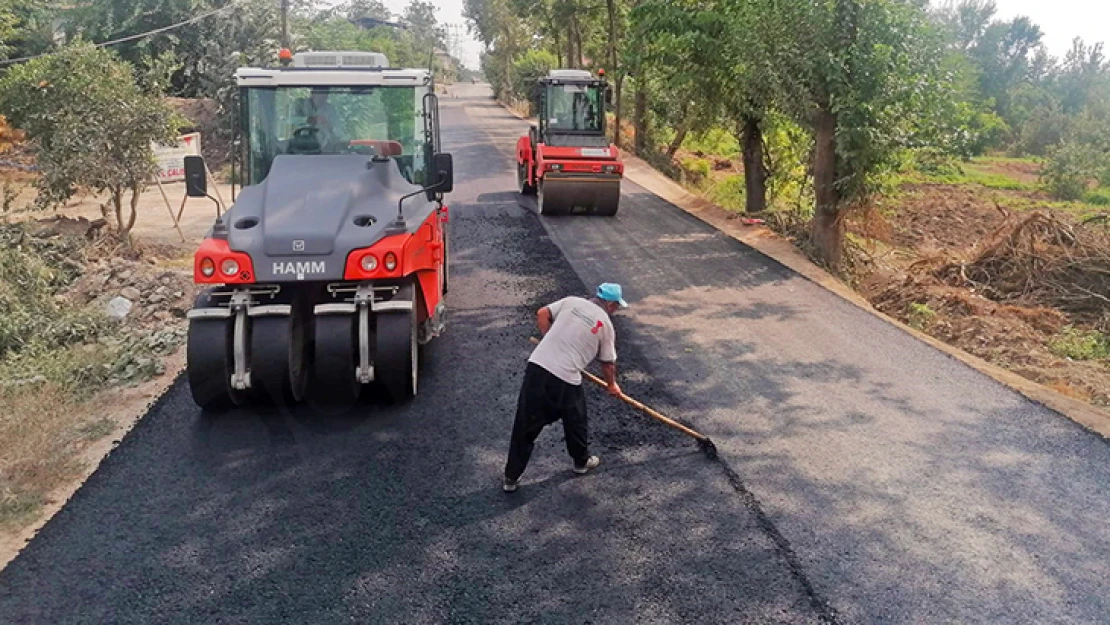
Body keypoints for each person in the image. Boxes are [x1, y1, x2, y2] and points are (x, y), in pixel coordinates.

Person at [503, 283, 628, 493]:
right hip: (566, 377)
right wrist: (612, 385)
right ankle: (580, 462)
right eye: (616, 306)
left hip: (537, 367)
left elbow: (542, 313)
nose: (615, 310)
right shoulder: (604, 324)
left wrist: (549, 340)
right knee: (576, 419)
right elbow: (607, 363)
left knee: (525, 424)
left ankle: (510, 477)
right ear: (610, 303)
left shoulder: (571, 301)